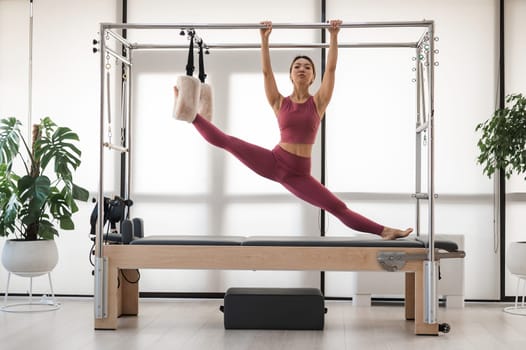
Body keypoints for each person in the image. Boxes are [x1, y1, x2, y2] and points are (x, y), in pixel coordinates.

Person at [174, 20, 412, 240]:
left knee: (337, 208)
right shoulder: (279, 102)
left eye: (307, 67)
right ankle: (189, 112)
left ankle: (384, 231)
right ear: (290, 75)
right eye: (297, 66)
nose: (301, 69)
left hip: (299, 174)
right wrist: (264, 39)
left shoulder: (318, 103)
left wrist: (334, 36)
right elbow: (266, 72)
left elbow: (331, 70)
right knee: (229, 142)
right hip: (275, 161)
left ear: (312, 78)